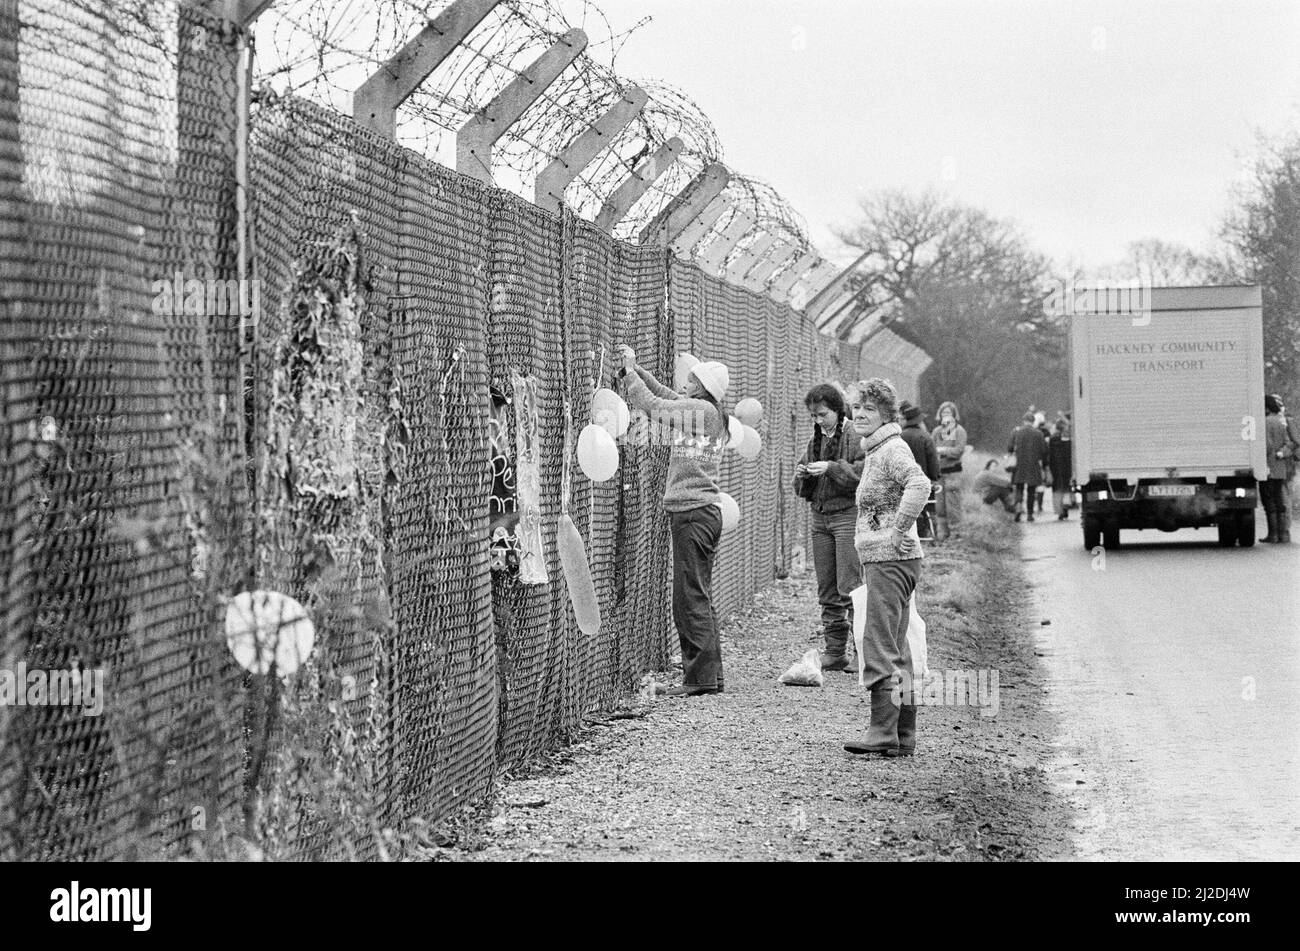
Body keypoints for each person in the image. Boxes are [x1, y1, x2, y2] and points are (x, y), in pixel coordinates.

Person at [617, 344, 731, 695]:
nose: (684, 383)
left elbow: (656, 406)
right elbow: (665, 395)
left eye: (691, 380)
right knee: (697, 594)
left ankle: (699, 679)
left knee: (688, 598)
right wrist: (634, 372)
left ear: (703, 387)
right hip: (699, 513)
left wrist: (632, 375)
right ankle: (709, 676)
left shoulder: (701, 411)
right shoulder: (705, 411)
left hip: (692, 513)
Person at [841, 379, 931, 758]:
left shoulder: (891, 450)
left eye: (869, 409)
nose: (860, 414)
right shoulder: (880, 448)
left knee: (878, 644)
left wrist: (897, 530)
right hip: (895, 561)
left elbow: (920, 483)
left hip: (889, 561)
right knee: (900, 645)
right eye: (856, 408)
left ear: (887, 415)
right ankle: (903, 736)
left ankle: (882, 733)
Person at [793, 384, 866, 671]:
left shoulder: (854, 435)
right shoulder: (814, 440)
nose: (818, 420)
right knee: (826, 588)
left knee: (850, 585)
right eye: (814, 416)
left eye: (823, 414)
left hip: (847, 515)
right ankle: (835, 650)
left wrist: (831, 468)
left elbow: (861, 474)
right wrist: (804, 476)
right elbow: (800, 487)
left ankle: (862, 651)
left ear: (837, 410)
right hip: (820, 517)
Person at [898, 401, 940, 538]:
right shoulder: (925, 437)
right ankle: (930, 534)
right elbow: (933, 461)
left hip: (903, 482)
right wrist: (934, 477)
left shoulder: (899, 437)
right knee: (927, 508)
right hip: (923, 482)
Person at [1262, 394, 1295, 543]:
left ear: (1266, 407)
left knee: (1269, 502)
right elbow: (1290, 443)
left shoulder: (1264, 422)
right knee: (1280, 500)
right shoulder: (1282, 422)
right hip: (1280, 468)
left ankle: (1273, 535)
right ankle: (1284, 535)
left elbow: (1266, 445)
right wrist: (1282, 453)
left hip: (1267, 468)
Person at [933, 401, 967, 539]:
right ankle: (943, 533)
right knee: (939, 505)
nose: (945, 415)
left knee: (953, 504)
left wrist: (943, 450)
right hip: (939, 473)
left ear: (954, 415)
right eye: (943, 412)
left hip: (953, 472)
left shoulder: (959, 431)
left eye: (948, 412)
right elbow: (931, 448)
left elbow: (959, 450)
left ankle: (956, 532)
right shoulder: (936, 431)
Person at [1008, 412, 1048, 522]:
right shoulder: (1039, 433)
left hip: (1019, 464)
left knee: (1019, 488)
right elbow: (1044, 450)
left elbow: (1010, 448)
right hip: (1033, 464)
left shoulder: (1016, 432)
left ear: (1023, 420)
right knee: (1031, 490)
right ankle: (1030, 514)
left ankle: (1018, 507)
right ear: (1033, 421)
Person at [1048, 418, 1073, 520]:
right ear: (1064, 426)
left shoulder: (1052, 438)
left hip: (1055, 468)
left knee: (1057, 489)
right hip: (1067, 466)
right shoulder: (1068, 438)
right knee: (1066, 487)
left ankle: (1059, 511)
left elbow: (1049, 454)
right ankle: (1066, 507)